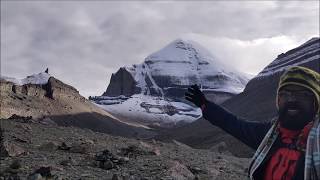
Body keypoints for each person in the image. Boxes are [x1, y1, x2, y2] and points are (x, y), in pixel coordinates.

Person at [185, 66, 319, 180]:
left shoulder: (317, 141)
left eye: (303, 95)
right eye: (285, 94)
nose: (292, 100)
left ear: (316, 103)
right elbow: (234, 124)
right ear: (278, 101)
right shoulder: (270, 136)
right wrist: (205, 105)